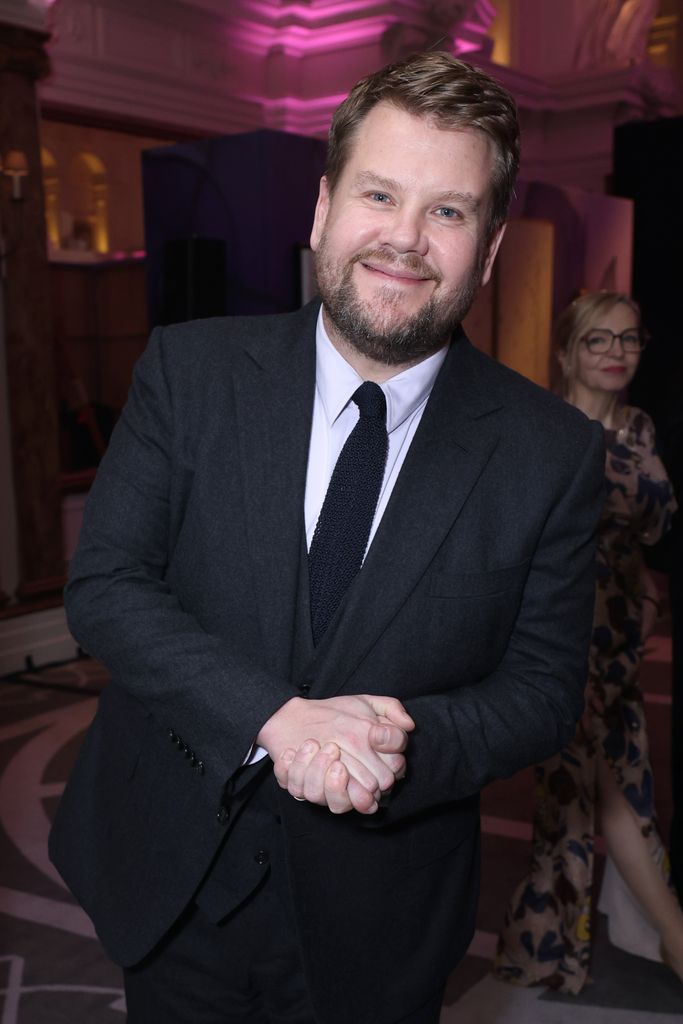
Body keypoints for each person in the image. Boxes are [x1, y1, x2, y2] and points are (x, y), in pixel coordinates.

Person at [49, 52, 604, 1024]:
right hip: (172, 878)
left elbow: (539, 694)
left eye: (447, 210)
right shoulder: (191, 372)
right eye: (378, 193)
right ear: (320, 209)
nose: (403, 238)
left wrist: (396, 743)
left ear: (488, 244)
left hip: (379, 918)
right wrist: (277, 715)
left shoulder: (549, 453)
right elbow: (107, 585)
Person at [494, 290, 682, 994]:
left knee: (604, 790)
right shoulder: (541, 429)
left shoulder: (637, 427)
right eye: (597, 340)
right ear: (566, 353)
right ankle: (673, 938)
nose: (614, 353)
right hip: (561, 634)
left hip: (621, 641)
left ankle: (545, 938)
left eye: (627, 340)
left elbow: (655, 531)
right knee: (605, 789)